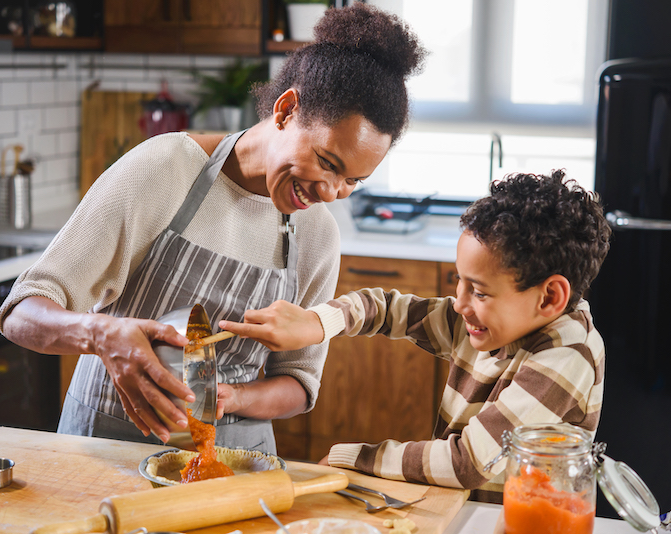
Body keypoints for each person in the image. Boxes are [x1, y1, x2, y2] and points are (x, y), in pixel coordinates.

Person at [0, 4, 427, 454]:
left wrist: (235, 398)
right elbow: (21, 312)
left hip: (236, 458)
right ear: (285, 110)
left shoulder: (318, 235)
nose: (332, 191)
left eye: (353, 181)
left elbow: (298, 383)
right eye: (327, 162)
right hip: (107, 447)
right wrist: (101, 334)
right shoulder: (167, 169)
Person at [220, 170, 612, 499]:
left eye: (479, 291)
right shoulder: (496, 320)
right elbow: (386, 308)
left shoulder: (568, 352)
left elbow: (468, 462)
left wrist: (354, 458)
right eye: (460, 282)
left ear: (550, 297)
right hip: (465, 510)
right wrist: (317, 323)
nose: (459, 303)